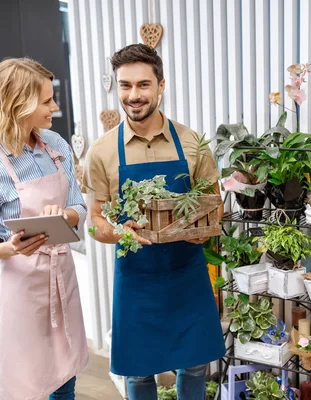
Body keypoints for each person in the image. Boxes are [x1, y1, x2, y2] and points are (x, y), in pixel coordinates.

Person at [83, 44, 225, 399]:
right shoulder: (101, 152)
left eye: (143, 85)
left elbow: (214, 204)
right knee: (138, 373)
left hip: (187, 273)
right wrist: (119, 233)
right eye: (125, 85)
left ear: (161, 86)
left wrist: (201, 230)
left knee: (195, 365)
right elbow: (95, 220)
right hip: (136, 278)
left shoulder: (192, 144)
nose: (133, 95)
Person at [0, 58, 89, 400]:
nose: (55, 107)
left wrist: (63, 215)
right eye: (47, 101)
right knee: (25, 383)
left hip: (62, 276)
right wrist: (14, 247)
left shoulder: (57, 147)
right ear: (19, 104)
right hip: (21, 289)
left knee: (65, 376)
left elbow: (81, 208)